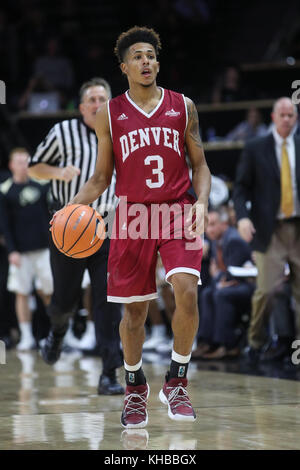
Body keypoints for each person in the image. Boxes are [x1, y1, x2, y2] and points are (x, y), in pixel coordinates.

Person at [67, 26, 211, 427]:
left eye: (151, 55)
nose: (146, 61)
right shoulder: (108, 114)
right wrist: (68, 210)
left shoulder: (184, 106)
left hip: (177, 210)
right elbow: (100, 179)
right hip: (131, 216)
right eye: (138, 57)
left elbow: (200, 166)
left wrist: (201, 202)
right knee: (134, 314)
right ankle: (134, 388)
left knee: (186, 289)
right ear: (124, 66)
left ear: (157, 63)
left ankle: (177, 381)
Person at [28, 77, 124, 395]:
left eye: (103, 98)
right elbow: (33, 168)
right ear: (82, 107)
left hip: (107, 227)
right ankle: (57, 330)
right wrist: (58, 172)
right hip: (68, 227)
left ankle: (109, 373)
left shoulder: (122, 134)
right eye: (92, 99)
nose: (98, 104)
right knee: (63, 301)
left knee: (108, 303)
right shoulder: (62, 132)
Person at [233, 97, 300, 362]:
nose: (286, 119)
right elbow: (240, 188)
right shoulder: (255, 147)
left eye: (291, 115)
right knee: (268, 290)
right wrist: (242, 217)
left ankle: (293, 346)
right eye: (282, 114)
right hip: (269, 228)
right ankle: (256, 342)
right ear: (273, 117)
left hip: (297, 226)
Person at [0, 148, 53, 350]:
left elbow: (51, 216)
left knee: (48, 292)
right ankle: (27, 336)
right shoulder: (5, 191)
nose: (24, 165)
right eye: (20, 162)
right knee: (21, 293)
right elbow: (4, 225)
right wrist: (12, 251)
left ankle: (55, 334)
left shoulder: (41, 186)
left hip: (44, 249)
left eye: (27, 162)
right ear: (11, 165)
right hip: (20, 252)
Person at [192, 208, 255, 360]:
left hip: (248, 285)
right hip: (231, 284)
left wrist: (218, 275)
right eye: (207, 225)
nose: (209, 229)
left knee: (220, 294)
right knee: (207, 292)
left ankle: (227, 345)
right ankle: (207, 342)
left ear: (224, 224)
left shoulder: (233, 239)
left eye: (213, 224)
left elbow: (232, 276)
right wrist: (219, 276)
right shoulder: (217, 240)